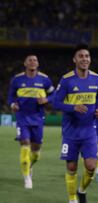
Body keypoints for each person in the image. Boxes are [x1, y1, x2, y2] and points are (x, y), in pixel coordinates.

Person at [53, 44, 98, 203]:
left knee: (91, 166)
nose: (85, 59)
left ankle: (81, 190)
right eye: (81, 56)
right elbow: (55, 103)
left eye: (87, 56)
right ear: (74, 59)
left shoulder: (97, 78)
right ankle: (72, 198)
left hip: (89, 130)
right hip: (71, 131)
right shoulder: (67, 80)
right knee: (72, 167)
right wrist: (72, 107)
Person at [7, 54, 54, 189]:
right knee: (25, 143)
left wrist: (47, 100)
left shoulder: (45, 80)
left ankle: (29, 165)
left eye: (35, 60)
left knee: (36, 152)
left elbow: (54, 94)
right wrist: (12, 105)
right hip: (22, 117)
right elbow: (10, 97)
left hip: (38, 118)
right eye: (30, 60)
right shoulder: (17, 80)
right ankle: (27, 177)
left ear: (38, 64)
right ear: (25, 63)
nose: (33, 62)